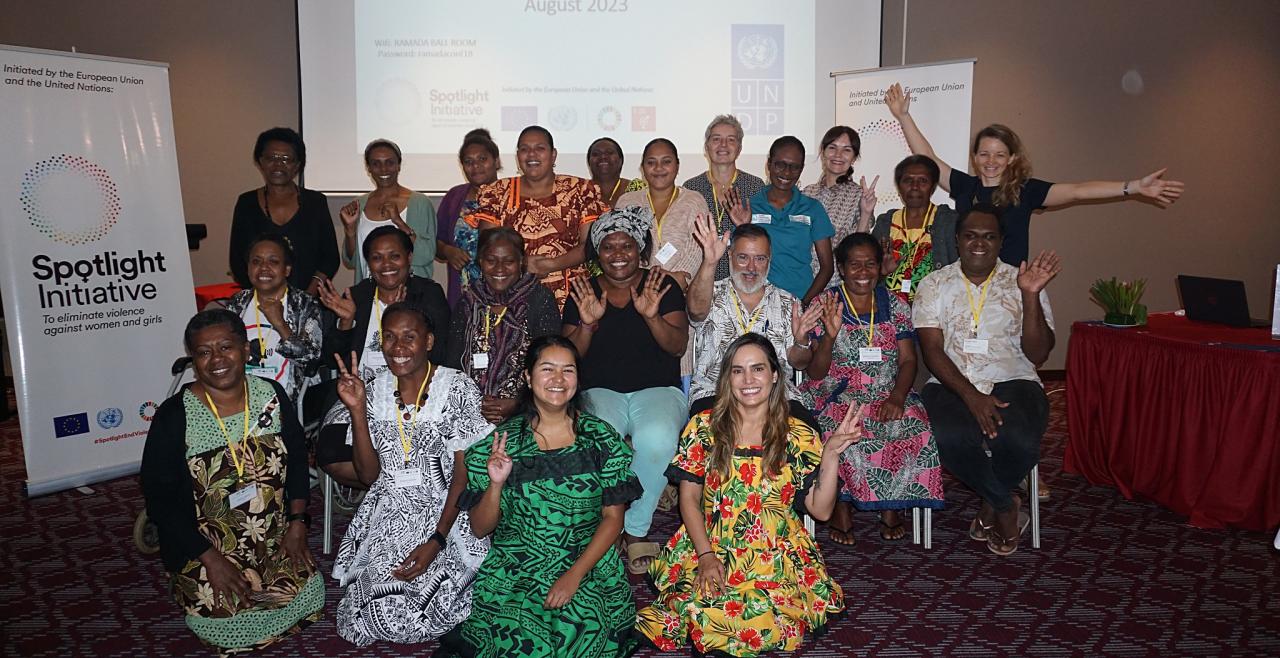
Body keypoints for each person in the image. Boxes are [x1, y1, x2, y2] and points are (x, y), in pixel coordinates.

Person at [635, 334, 854, 655]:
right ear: (727, 378)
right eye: (738, 371)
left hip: (775, 554)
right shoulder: (702, 427)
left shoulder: (798, 433)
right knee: (704, 610)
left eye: (758, 369)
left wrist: (831, 455)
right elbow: (689, 501)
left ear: (775, 375)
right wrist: (706, 556)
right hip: (712, 544)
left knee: (751, 621)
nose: (748, 380)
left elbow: (820, 511)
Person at [436, 336, 641, 658]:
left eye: (568, 370)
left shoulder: (601, 439)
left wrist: (573, 576)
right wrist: (495, 484)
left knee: (578, 631)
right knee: (520, 641)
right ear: (529, 378)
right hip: (518, 567)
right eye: (548, 369)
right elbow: (480, 528)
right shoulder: (500, 446)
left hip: (586, 560)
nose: (558, 380)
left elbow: (613, 520)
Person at [140, 310, 321, 654]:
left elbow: (297, 459)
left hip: (271, 536)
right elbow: (159, 500)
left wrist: (297, 524)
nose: (216, 360)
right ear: (193, 360)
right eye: (204, 352)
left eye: (226, 347)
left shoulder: (271, 395)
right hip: (204, 546)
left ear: (247, 350)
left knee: (311, 595)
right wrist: (210, 559)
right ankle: (186, 583)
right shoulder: (175, 415)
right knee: (224, 619)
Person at [328, 302, 493, 646]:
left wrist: (437, 539)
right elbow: (369, 475)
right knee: (377, 610)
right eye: (389, 337)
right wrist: (357, 411)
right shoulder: (372, 390)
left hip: (447, 509)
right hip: (391, 510)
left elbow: (462, 476)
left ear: (429, 341)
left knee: (438, 599)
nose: (398, 347)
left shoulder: (457, 387)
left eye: (409, 337)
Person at [885, 82, 1185, 266]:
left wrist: (1132, 187)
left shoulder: (1025, 191)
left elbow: (1078, 190)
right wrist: (903, 116)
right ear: (975, 157)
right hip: (967, 284)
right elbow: (927, 158)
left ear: (1011, 157)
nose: (991, 161)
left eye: (1000, 154)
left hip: (1011, 287)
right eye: (985, 154)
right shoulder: (965, 186)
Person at [912, 204, 1061, 556]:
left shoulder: (1024, 280)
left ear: (1001, 241)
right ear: (958, 239)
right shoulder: (934, 283)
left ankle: (991, 504)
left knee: (1020, 439)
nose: (979, 243)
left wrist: (1030, 295)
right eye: (971, 235)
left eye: (989, 236)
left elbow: (1039, 354)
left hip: (1015, 378)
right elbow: (932, 351)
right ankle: (1006, 505)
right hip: (951, 382)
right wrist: (972, 397)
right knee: (948, 437)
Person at [561, 207, 688, 575]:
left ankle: (633, 529)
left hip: (658, 390)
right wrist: (586, 324)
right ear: (598, 253)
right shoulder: (584, 290)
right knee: (601, 440)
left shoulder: (661, 285)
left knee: (658, 439)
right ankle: (605, 522)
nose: (618, 253)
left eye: (627, 245)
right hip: (600, 391)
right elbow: (570, 358)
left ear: (641, 249)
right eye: (608, 246)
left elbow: (677, 346)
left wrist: (650, 315)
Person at [799, 233, 944, 546]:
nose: (863, 272)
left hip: (886, 391)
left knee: (916, 427)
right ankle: (840, 506)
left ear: (880, 267)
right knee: (841, 432)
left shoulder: (896, 304)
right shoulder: (825, 304)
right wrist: (828, 337)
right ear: (840, 267)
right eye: (854, 265)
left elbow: (908, 361)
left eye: (870, 264)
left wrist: (897, 397)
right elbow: (814, 371)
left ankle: (892, 505)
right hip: (836, 392)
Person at [316, 226, 450, 489]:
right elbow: (332, 360)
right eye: (377, 257)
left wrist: (398, 313)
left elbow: (441, 351)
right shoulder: (357, 296)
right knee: (331, 454)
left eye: (394, 256)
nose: (386, 264)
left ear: (409, 257)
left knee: (416, 455)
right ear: (368, 263)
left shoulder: (428, 294)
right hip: (359, 392)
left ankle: (398, 491)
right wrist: (346, 322)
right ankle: (393, 488)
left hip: (414, 392)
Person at [685, 217, 822, 428]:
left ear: (770, 259)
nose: (751, 267)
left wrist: (802, 340)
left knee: (807, 436)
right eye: (743, 258)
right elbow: (694, 311)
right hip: (717, 392)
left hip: (775, 394)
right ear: (729, 256)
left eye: (760, 259)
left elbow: (799, 363)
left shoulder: (788, 301)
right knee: (705, 438)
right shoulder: (710, 292)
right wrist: (709, 262)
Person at [465, 125, 609, 308]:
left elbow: (589, 245)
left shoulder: (579, 189)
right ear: (518, 157)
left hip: (571, 297)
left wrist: (550, 265)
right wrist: (523, 266)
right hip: (512, 296)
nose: (531, 155)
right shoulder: (497, 192)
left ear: (553, 154)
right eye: (525, 149)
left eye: (539, 148)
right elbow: (487, 248)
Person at [446, 228, 561, 424]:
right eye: (491, 260)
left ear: (521, 263)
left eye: (509, 261)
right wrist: (472, 403)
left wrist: (517, 402)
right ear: (480, 262)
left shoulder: (539, 299)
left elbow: (548, 364)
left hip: (528, 410)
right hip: (469, 410)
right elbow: (451, 363)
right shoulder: (469, 302)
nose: (499, 269)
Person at [229, 127, 339, 295]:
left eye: (286, 159)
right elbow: (237, 260)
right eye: (271, 158)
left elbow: (330, 259)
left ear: (298, 165)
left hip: (311, 301)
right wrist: (264, 297)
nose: (278, 164)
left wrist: (306, 298)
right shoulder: (246, 203)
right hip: (261, 303)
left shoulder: (316, 202)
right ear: (260, 161)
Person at [222, 234, 324, 407]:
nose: (263, 268)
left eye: (273, 262)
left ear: (287, 270)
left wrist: (280, 324)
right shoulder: (237, 304)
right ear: (248, 268)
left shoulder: (305, 304)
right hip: (243, 399)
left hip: (292, 401)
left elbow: (311, 359)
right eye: (256, 261)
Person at [745, 136, 835, 305]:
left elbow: (827, 267)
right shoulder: (749, 206)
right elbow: (739, 259)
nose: (787, 173)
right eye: (780, 164)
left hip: (799, 300)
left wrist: (804, 304)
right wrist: (741, 225)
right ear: (769, 164)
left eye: (795, 167)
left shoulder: (813, 208)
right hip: (756, 303)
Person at [614, 138, 709, 288]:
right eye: (651, 162)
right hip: (636, 288)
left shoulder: (694, 200)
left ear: (677, 166)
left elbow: (697, 246)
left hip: (681, 288)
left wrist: (680, 278)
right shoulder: (627, 202)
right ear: (642, 168)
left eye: (666, 162)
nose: (658, 168)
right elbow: (620, 246)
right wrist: (643, 279)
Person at [339, 138, 438, 282]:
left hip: (411, 295)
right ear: (369, 168)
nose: (383, 169)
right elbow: (352, 262)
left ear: (399, 165)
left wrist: (399, 222)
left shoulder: (420, 203)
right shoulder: (359, 204)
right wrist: (350, 230)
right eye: (376, 164)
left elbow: (426, 254)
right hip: (371, 295)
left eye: (389, 162)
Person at [682, 114, 767, 281]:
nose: (723, 145)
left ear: (740, 148)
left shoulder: (755, 186)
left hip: (743, 278)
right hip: (701, 276)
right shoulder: (691, 187)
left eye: (731, 140)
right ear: (706, 147)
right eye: (716, 139)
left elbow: (764, 239)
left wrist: (745, 226)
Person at [870, 154, 959, 304]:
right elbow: (869, 275)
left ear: (933, 186)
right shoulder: (885, 223)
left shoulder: (949, 221)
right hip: (890, 312)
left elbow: (959, 273)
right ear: (899, 185)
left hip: (934, 311)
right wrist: (881, 273)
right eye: (908, 180)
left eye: (923, 181)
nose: (915, 186)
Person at [802, 125, 878, 281]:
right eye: (832, 148)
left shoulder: (859, 196)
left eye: (846, 150)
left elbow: (860, 247)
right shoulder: (807, 193)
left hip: (836, 285)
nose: (838, 155)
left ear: (854, 158)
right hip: (801, 281)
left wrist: (865, 213)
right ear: (823, 152)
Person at [437, 128, 502, 306]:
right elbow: (436, 242)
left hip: (505, 295)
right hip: (463, 296)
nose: (476, 166)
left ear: (496, 161)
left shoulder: (512, 194)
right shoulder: (454, 196)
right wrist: (448, 251)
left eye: (482, 159)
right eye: (469, 161)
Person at [587, 136, 631, 208]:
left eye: (610, 152)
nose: (603, 157)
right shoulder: (579, 191)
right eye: (596, 154)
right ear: (589, 162)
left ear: (621, 160)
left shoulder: (637, 190)